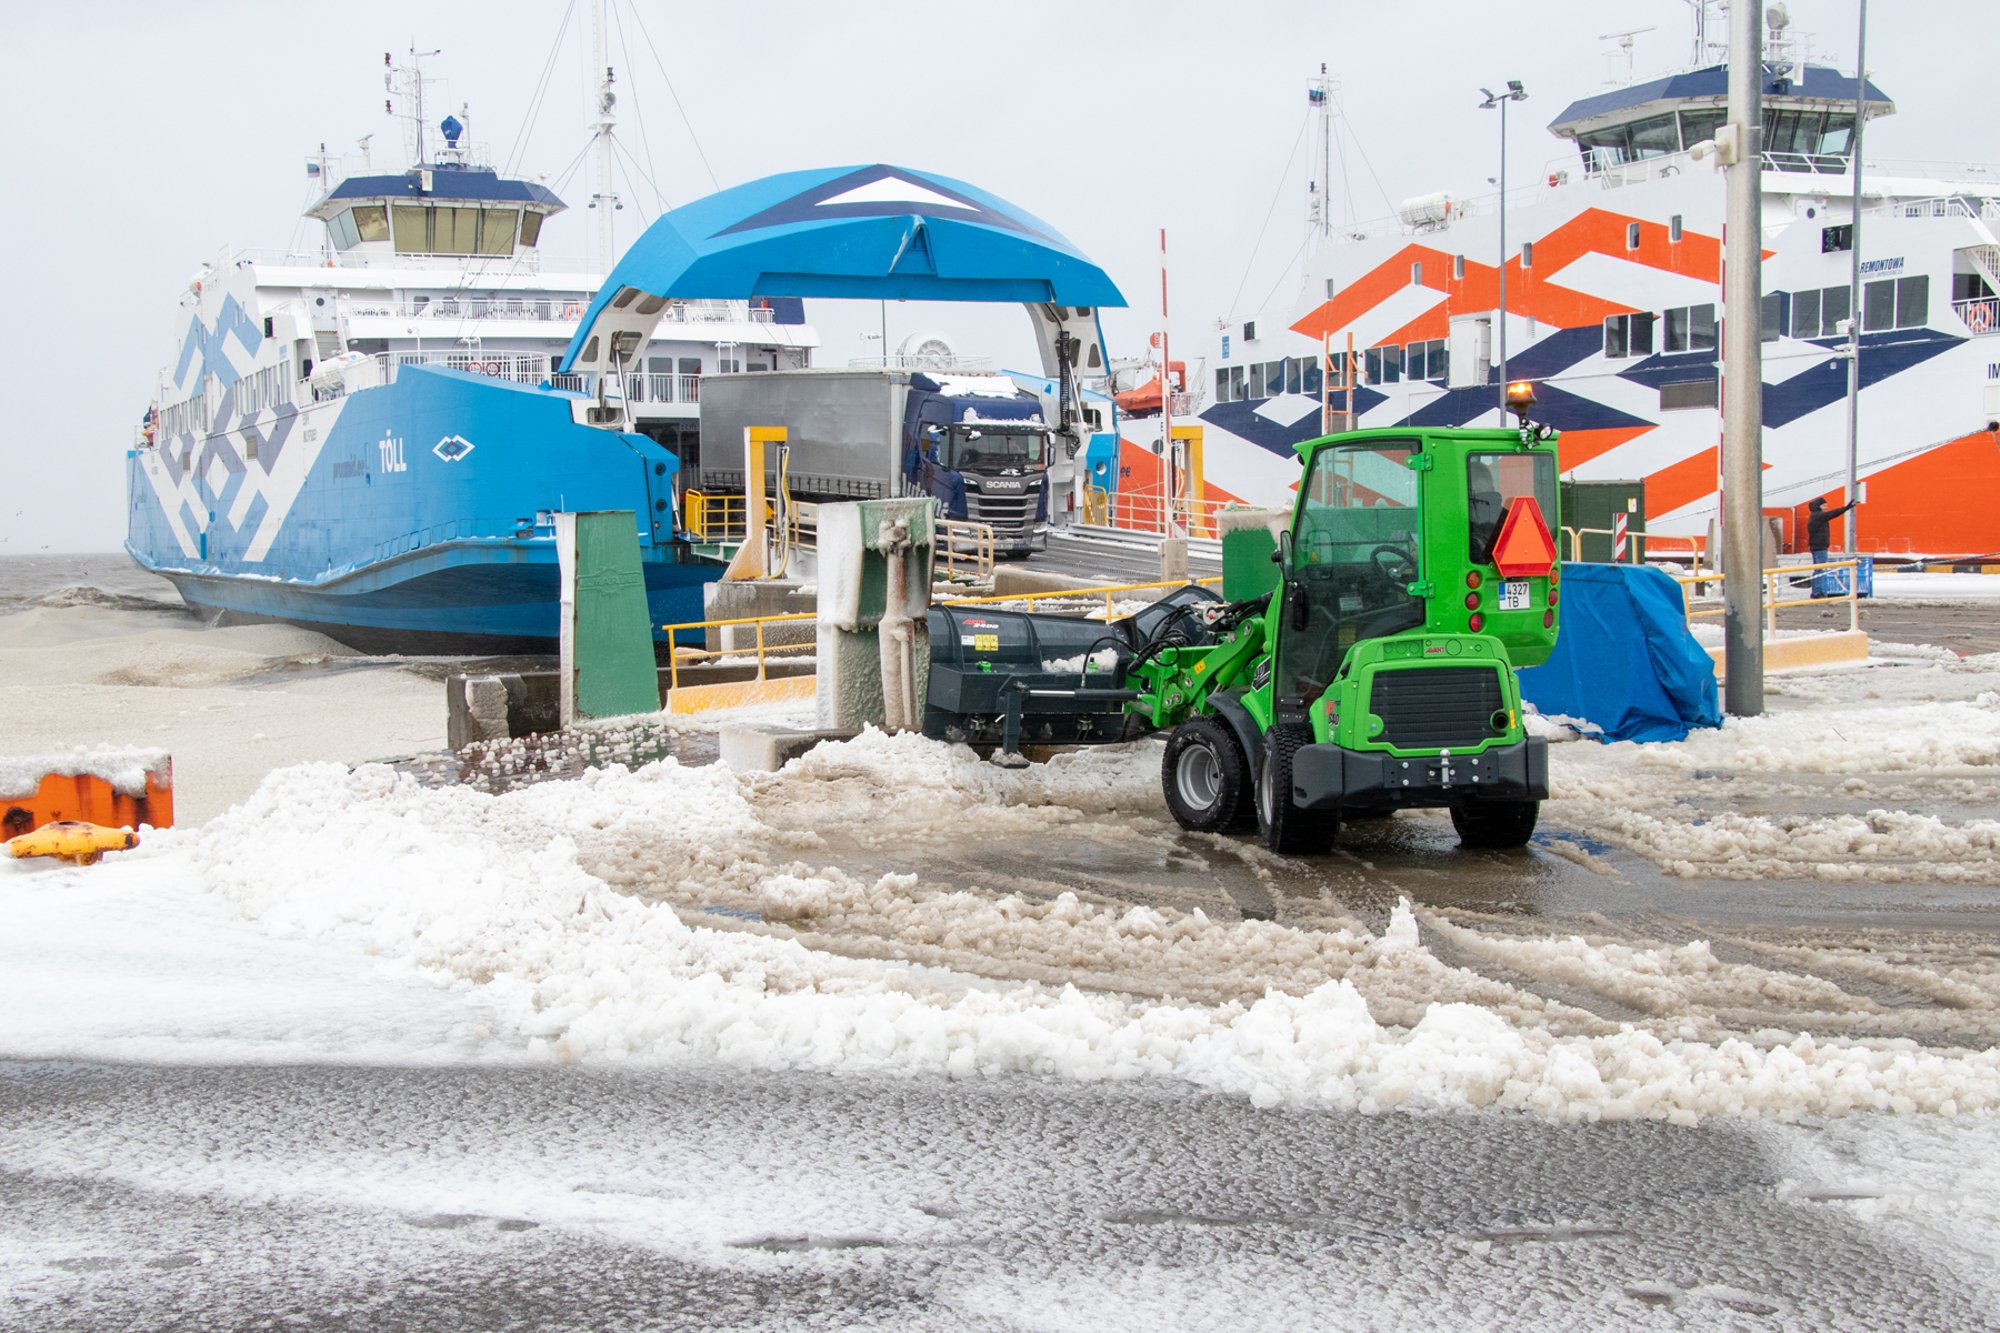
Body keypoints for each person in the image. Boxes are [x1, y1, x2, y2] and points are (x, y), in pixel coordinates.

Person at [1805, 495, 1858, 597]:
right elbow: (1832, 514)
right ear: (1818, 506)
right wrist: (1845, 508)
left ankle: (1817, 591)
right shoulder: (1818, 515)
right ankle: (1817, 592)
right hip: (1820, 547)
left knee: (1818, 569)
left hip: (1817, 546)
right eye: (1824, 505)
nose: (1826, 507)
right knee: (1820, 569)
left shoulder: (1815, 516)